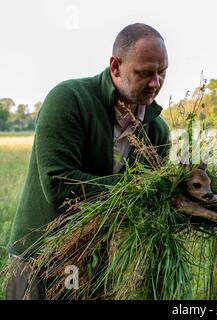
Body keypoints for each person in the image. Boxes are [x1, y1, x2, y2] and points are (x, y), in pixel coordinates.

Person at [6, 23, 171, 300]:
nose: (155, 83)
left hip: (97, 262)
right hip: (40, 257)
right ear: (115, 67)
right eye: (145, 73)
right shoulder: (69, 100)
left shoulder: (157, 130)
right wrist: (136, 187)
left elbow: (149, 206)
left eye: (162, 72)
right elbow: (59, 184)